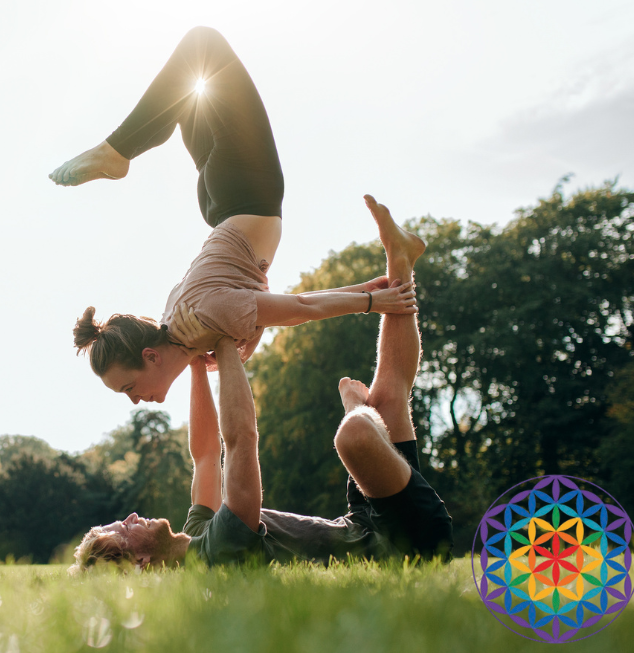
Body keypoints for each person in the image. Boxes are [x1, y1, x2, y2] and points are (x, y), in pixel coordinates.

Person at [69, 201, 453, 572]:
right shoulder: (220, 553)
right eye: (124, 529)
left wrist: (194, 362)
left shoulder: (198, 532)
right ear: (140, 563)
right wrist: (220, 338)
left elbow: (204, 454)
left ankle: (401, 257)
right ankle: (356, 408)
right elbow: (239, 439)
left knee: (389, 396)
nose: (131, 516)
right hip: (404, 545)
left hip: (365, 523)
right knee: (354, 435)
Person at [58, 27, 422, 404]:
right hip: (220, 204)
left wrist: (371, 304)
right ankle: (125, 147)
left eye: (128, 388)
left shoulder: (205, 319)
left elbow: (301, 308)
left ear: (150, 356)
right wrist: (362, 290)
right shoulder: (178, 317)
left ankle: (118, 151)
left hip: (247, 193)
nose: (133, 400)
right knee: (189, 94)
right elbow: (263, 293)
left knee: (203, 48)